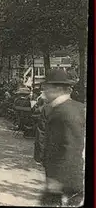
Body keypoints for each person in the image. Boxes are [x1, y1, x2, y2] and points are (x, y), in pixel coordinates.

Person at [39, 70, 84, 207]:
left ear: (57, 89)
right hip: (61, 177)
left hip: (64, 180)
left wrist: (57, 180)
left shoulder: (64, 112)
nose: (44, 92)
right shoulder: (71, 107)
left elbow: (71, 146)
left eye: (46, 88)